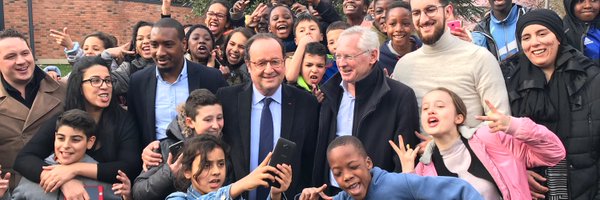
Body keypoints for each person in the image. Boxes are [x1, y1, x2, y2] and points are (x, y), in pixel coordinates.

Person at [391, 88, 566, 199]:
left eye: (440, 106)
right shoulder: (423, 170)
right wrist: (409, 176)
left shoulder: (491, 138)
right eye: (426, 108)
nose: (431, 111)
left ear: (459, 117)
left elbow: (554, 152)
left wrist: (513, 125)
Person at [14, 56, 141, 199]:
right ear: (79, 86)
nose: (104, 86)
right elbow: (24, 159)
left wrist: (73, 170)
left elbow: (129, 166)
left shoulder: (124, 120)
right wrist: (63, 180)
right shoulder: (64, 120)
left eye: (107, 80)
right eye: (95, 80)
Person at [313, 26, 420, 195]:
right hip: (331, 193)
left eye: (349, 56)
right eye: (338, 56)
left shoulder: (400, 96)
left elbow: (403, 161)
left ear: (373, 56)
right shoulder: (329, 93)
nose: (341, 63)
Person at [505, 9, 600, 200]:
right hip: (531, 190)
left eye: (542, 33)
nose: (535, 43)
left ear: (557, 36)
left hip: (586, 188)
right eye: (526, 37)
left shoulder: (590, 77)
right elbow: (499, 142)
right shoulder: (509, 80)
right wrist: (517, 172)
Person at [216, 33, 319, 199]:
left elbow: (310, 159)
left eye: (275, 62)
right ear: (248, 66)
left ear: (284, 63)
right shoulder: (226, 99)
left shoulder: (307, 103)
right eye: (261, 63)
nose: (269, 70)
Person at [391, 0, 511, 130]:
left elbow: (500, 124)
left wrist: (448, 144)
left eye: (430, 10)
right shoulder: (403, 67)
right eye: (416, 13)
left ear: (448, 11)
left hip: (473, 149)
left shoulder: (479, 58)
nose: (423, 19)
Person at [127, 18, 228, 147]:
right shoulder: (138, 82)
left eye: (168, 45)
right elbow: (134, 131)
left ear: (184, 44)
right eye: (154, 45)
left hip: (201, 159)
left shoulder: (211, 78)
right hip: (157, 163)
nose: (160, 52)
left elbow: (225, 125)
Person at [300, 136, 483, 200]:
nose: (347, 176)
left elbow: (461, 189)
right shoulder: (346, 197)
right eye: (338, 173)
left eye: (353, 167)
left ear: (368, 163)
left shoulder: (399, 183)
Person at [13, 109, 132, 200]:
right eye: (61, 138)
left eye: (75, 140)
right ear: (55, 137)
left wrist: (128, 197)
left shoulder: (103, 180)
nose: (66, 145)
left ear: (90, 142)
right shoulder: (33, 174)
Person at [0, 29, 67, 190]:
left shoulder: (63, 90)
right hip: (14, 190)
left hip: (61, 186)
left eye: (25, 53)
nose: (21, 61)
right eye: (11, 56)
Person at [133, 89, 225, 200]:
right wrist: (169, 173)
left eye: (219, 118)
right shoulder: (167, 148)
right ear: (190, 122)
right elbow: (139, 192)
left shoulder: (226, 145)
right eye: (208, 120)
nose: (215, 125)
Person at [165, 134, 291, 200]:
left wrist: (275, 195)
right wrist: (241, 184)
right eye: (206, 165)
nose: (216, 172)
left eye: (221, 164)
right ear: (187, 171)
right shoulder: (177, 197)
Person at [104, 21, 156, 97]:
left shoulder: (171, 65)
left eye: (150, 37)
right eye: (140, 39)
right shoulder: (130, 68)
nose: (145, 42)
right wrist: (107, 54)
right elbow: (107, 85)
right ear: (135, 46)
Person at [378, 1, 421, 73]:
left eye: (405, 23)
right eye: (392, 24)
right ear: (385, 27)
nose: (398, 29)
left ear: (414, 26)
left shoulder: (424, 50)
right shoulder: (380, 59)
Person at [563, 0, 600, 65]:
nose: (588, 6)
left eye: (593, 0)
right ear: (570, 5)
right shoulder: (562, 34)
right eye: (580, 1)